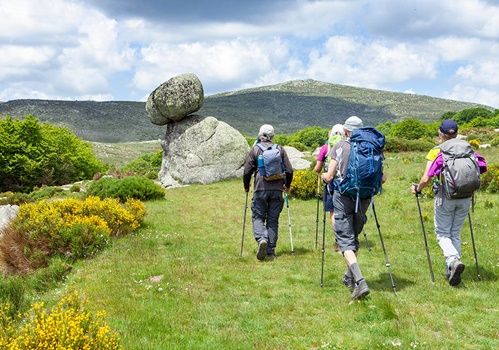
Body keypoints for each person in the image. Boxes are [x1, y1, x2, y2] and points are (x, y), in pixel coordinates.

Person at [411, 119, 487, 286]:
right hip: (466, 197)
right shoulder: (467, 148)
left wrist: (417, 189)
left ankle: (453, 261)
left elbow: (426, 178)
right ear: (456, 132)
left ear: (440, 133)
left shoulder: (437, 151)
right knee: (455, 232)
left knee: (443, 234)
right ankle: (451, 269)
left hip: (446, 197)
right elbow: (482, 166)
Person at [322, 116, 380, 300]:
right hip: (364, 197)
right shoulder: (372, 146)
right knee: (353, 236)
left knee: (345, 240)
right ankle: (349, 276)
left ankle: (360, 281)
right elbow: (383, 178)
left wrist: (324, 177)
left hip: (343, 196)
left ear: (346, 131)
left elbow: (330, 176)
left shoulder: (340, 146)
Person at [243, 124, 293, 261]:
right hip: (277, 189)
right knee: (273, 220)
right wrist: (287, 186)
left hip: (260, 188)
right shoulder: (280, 149)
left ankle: (261, 239)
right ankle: (270, 251)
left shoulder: (255, 150)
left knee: (258, 217)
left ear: (260, 135)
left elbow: (247, 171)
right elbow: (289, 170)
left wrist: (246, 186)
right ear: (272, 136)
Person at [314, 124, 345, 251]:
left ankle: (339, 241)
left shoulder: (325, 147)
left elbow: (317, 168)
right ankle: (348, 238)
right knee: (345, 211)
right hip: (346, 183)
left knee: (333, 212)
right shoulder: (348, 146)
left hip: (330, 183)